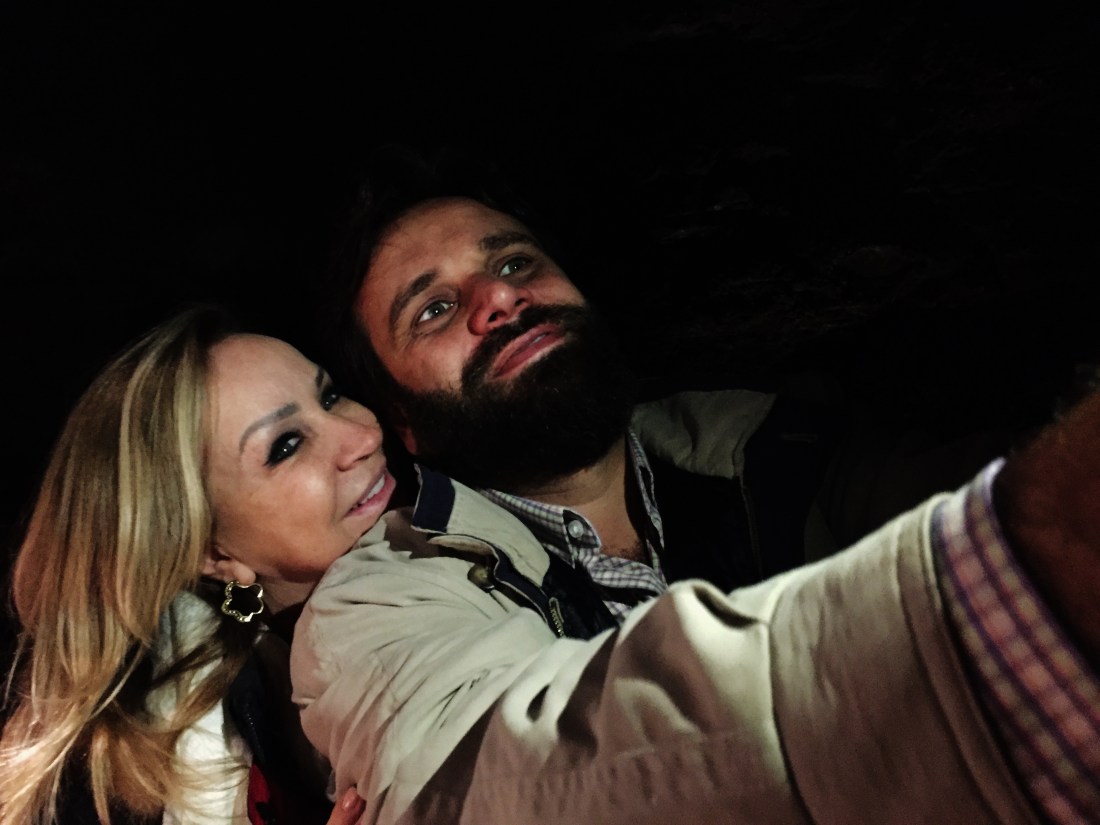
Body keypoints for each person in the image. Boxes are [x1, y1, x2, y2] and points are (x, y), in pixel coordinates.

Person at [290, 148, 1100, 823]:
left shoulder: (768, 444)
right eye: (434, 309)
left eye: (513, 261)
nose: (499, 296)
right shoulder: (382, 594)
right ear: (404, 422)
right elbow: (498, 786)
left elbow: (943, 480)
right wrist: (1029, 559)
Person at [0, 305, 376, 825]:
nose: (363, 437)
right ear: (212, 553)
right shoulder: (127, 777)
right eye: (286, 446)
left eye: (330, 396)